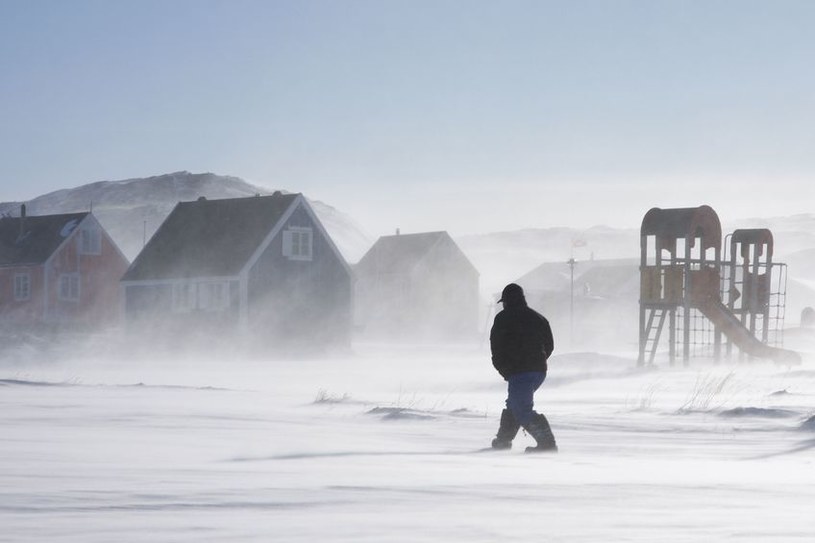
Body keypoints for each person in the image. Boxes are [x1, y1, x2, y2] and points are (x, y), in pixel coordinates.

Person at [489, 283, 557, 452]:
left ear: (506, 301)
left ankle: (547, 443)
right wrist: (539, 361)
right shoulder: (538, 317)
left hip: (519, 372)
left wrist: (504, 369)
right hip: (538, 371)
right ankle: (503, 440)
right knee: (515, 403)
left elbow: (496, 348)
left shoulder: (502, 318)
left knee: (521, 408)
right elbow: (549, 345)